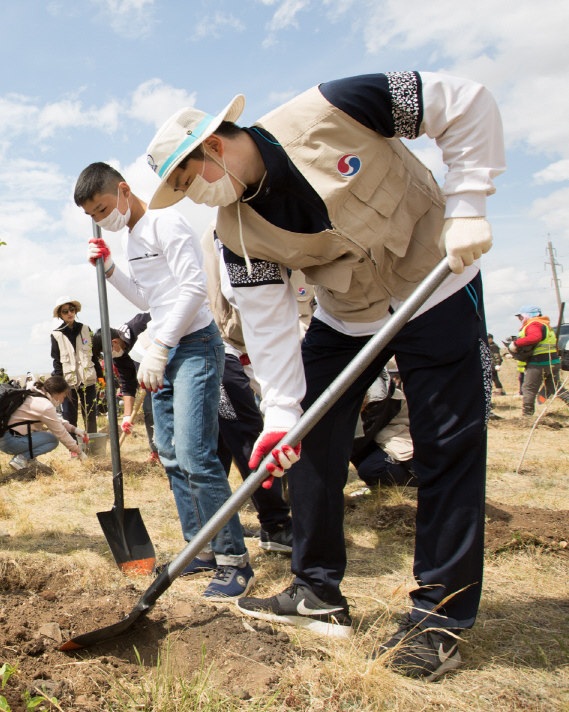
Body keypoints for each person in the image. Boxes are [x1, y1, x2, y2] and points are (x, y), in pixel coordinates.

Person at [144, 71, 502, 680]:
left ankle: (439, 617)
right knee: (307, 443)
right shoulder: (234, 234)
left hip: (436, 282)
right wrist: (283, 414)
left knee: (447, 448)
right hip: (349, 315)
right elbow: (271, 323)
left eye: (187, 183)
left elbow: (465, 101)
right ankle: (317, 593)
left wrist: (468, 202)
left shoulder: (336, 106)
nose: (194, 199)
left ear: (212, 147)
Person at [77, 162, 256, 602]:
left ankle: (235, 560)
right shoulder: (130, 238)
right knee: (171, 453)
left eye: (104, 208)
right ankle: (202, 546)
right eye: (95, 215)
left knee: (197, 453)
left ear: (123, 190)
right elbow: (150, 298)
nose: (103, 219)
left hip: (195, 345)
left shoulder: (165, 223)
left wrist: (160, 346)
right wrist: (112, 271)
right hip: (167, 347)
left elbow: (193, 289)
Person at [199, 227, 295, 552]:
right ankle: (276, 523)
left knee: (223, 445)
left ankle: (214, 530)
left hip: (245, 348)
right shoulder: (224, 233)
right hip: (221, 351)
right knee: (246, 434)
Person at [92, 313, 157, 460]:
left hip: (169, 364)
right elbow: (128, 385)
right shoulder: (119, 357)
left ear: (114, 342)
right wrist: (127, 417)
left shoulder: (141, 323)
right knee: (149, 410)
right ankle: (156, 451)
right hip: (150, 381)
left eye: (107, 352)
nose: (110, 357)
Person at [0, 375, 85, 470]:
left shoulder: (35, 395)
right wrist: (79, 452)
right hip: (10, 440)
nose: (62, 401)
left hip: (2, 438)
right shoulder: (45, 405)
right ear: (56, 393)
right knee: (52, 440)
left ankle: (30, 460)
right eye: (63, 396)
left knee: (39, 432)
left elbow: (55, 420)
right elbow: (60, 433)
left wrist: (74, 429)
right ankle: (21, 459)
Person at [350, 367, 417, 488]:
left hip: (399, 444)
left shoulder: (377, 394)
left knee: (373, 469)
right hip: (380, 441)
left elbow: (360, 437)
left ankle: (420, 480)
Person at [50, 297, 98, 434]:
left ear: (75, 311)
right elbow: (57, 361)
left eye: (71, 309)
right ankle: (74, 448)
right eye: (65, 311)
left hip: (87, 380)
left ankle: (93, 445)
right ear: (60, 314)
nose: (69, 313)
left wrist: (100, 376)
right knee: (70, 416)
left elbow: (93, 354)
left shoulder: (85, 329)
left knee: (90, 413)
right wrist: (59, 385)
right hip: (68, 382)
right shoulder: (56, 335)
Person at [510, 305, 568, 416]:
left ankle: (527, 416)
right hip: (553, 361)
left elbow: (535, 337)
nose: (520, 320)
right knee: (557, 388)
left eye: (521, 317)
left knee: (528, 388)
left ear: (529, 315)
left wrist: (515, 344)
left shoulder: (534, 324)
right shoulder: (545, 325)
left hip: (539, 362)